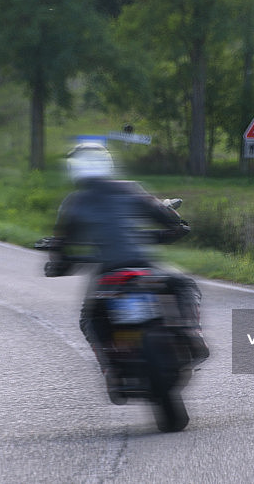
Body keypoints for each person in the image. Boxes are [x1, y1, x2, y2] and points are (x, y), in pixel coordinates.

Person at [45, 142, 209, 396]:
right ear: (107, 164)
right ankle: (191, 332)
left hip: (108, 274)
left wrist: (57, 265)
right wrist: (170, 230)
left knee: (90, 319)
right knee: (183, 284)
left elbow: (60, 247)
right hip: (144, 266)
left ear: (74, 169)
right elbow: (169, 219)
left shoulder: (73, 202)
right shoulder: (129, 188)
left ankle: (110, 370)